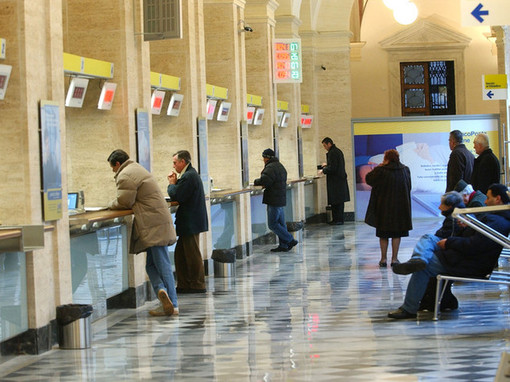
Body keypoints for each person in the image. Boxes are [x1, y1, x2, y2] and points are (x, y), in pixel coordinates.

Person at [388, 183, 510, 319]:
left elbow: (475, 245)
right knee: (429, 239)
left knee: (424, 267)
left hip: (466, 262)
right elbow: (477, 240)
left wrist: (449, 242)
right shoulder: (497, 219)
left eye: (488, 198)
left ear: (498, 199)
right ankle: (419, 259)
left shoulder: (497, 221)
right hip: (462, 257)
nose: (485, 201)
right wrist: (467, 226)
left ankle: (409, 308)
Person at [107, 149, 178, 316]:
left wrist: (110, 204)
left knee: (162, 264)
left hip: (153, 223)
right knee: (152, 265)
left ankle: (173, 304)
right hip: (156, 221)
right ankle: (163, 293)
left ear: (118, 164)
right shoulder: (136, 169)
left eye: (112, 167)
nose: (113, 171)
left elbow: (125, 201)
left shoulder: (125, 175)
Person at [167, 150, 208, 293]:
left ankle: (197, 284)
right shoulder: (189, 175)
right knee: (181, 254)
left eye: (175, 162)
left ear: (183, 162)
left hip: (191, 221)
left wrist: (172, 184)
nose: (174, 166)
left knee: (192, 253)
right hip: (190, 221)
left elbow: (177, 195)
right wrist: (177, 182)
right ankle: (184, 283)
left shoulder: (189, 176)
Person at [364, 149, 412, 267]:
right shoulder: (405, 170)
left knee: (383, 234)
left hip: (383, 208)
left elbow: (368, 179)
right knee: (397, 234)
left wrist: (378, 167)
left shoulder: (381, 170)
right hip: (400, 208)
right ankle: (394, 259)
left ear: (386, 159)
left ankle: (383, 259)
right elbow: (409, 186)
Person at [254, 148, 298, 252]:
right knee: (281, 223)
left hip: (273, 199)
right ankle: (283, 245)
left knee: (273, 224)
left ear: (267, 157)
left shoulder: (270, 167)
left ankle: (290, 240)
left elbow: (265, 180)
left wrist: (256, 181)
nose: (263, 160)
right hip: (280, 198)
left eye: (263, 157)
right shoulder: (280, 166)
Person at [319, 137, 350, 225]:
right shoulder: (337, 151)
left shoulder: (333, 152)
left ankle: (338, 220)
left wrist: (323, 170)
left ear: (329, 144)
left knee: (337, 201)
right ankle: (337, 219)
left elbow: (333, 167)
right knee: (338, 201)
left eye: (325, 146)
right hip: (339, 180)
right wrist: (327, 165)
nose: (325, 148)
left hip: (336, 181)